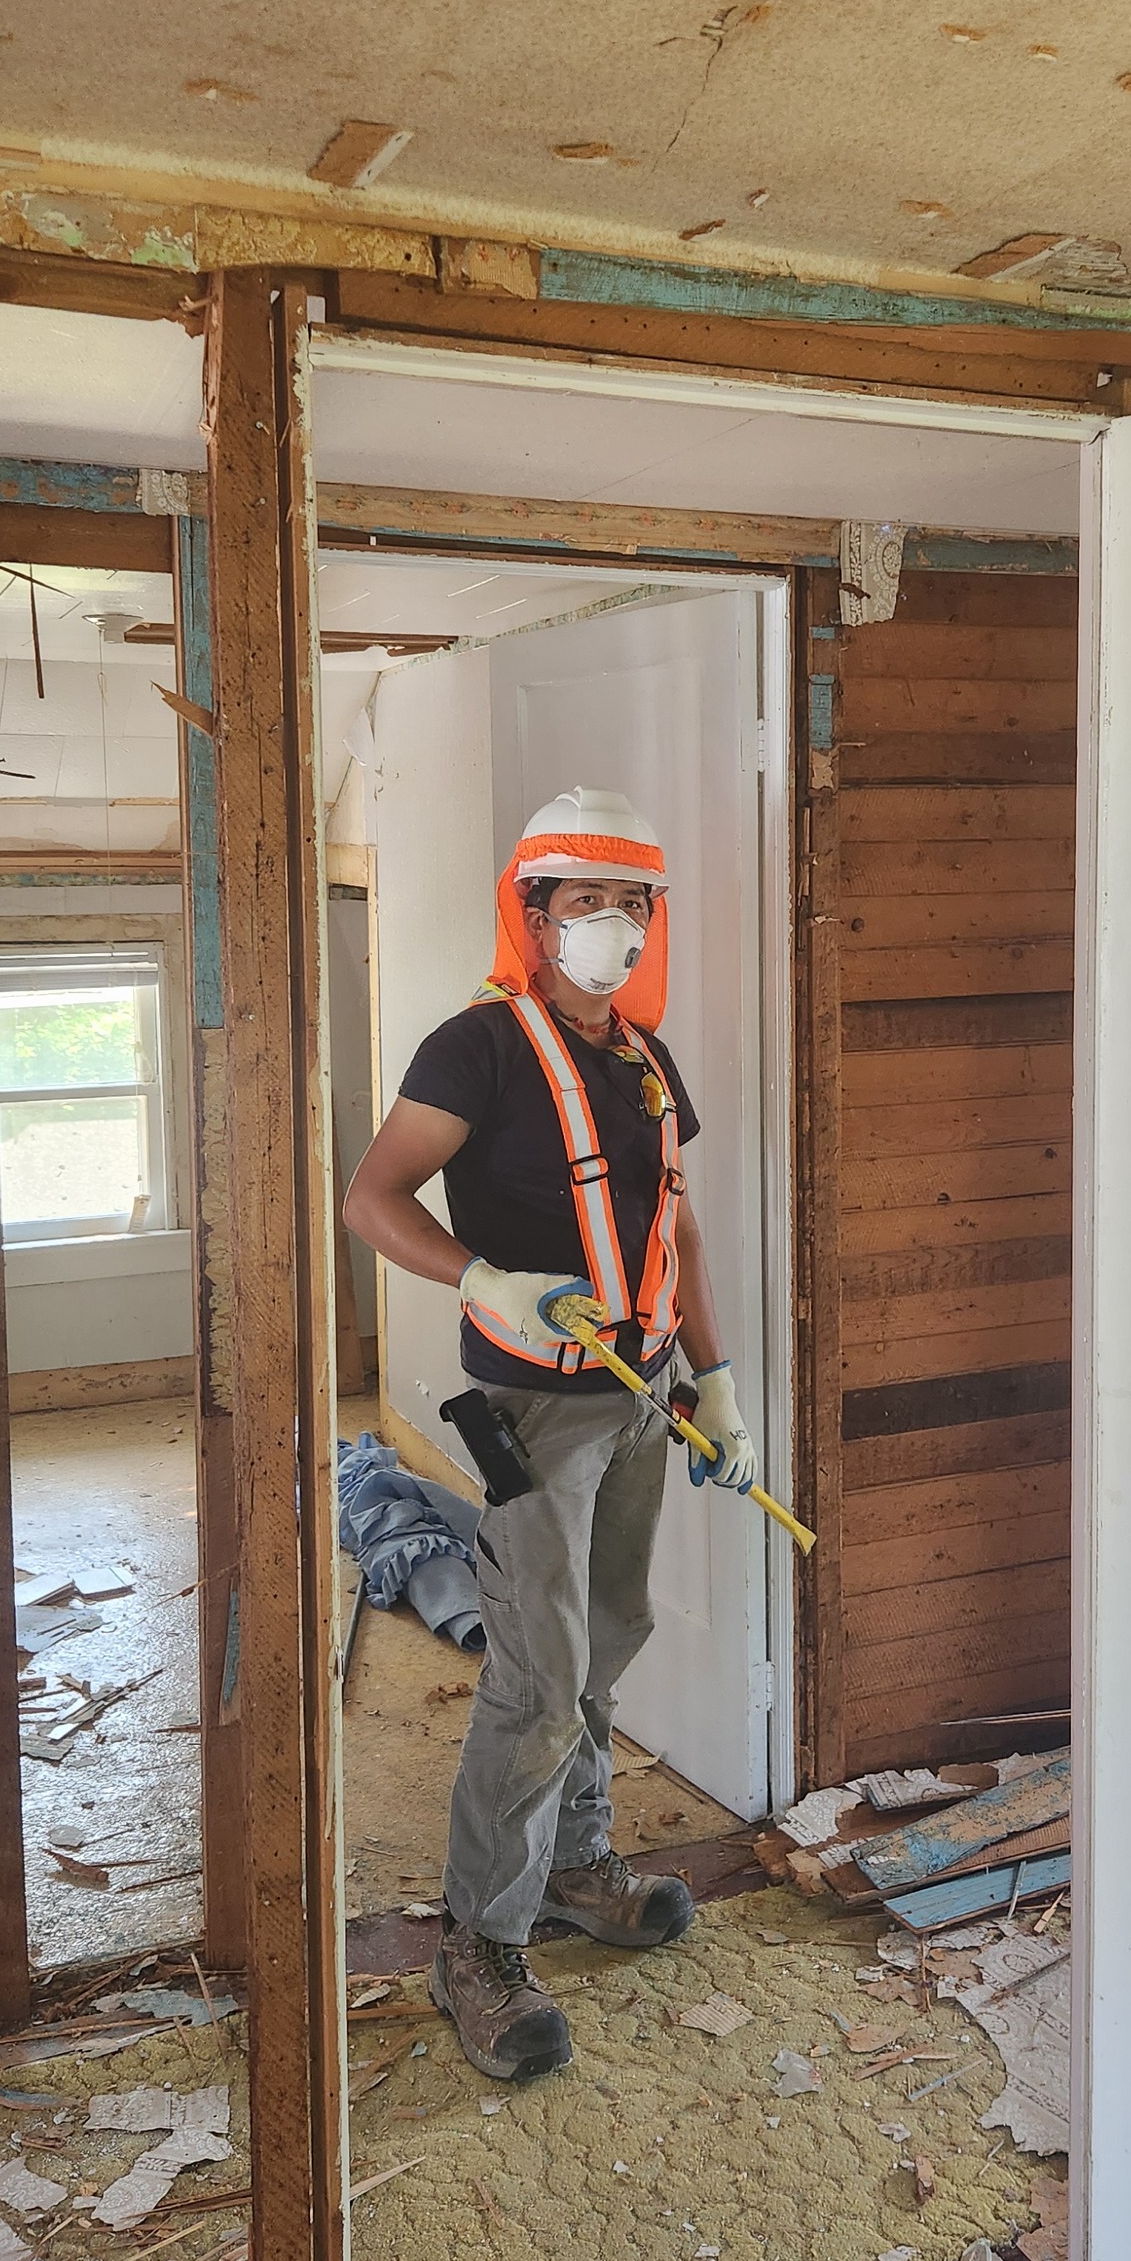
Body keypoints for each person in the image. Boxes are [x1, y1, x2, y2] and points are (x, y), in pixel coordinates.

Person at [343, 786, 756, 2083]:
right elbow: (372, 1197)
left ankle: (576, 1864)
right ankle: (479, 1942)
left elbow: (675, 1226)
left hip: (640, 1396)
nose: (614, 925)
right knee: (535, 1669)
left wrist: (715, 1380)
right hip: (528, 1406)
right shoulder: (475, 1048)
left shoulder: (643, 1057)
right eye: (588, 902)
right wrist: (482, 1280)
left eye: (634, 903)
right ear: (535, 913)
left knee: (608, 1631)